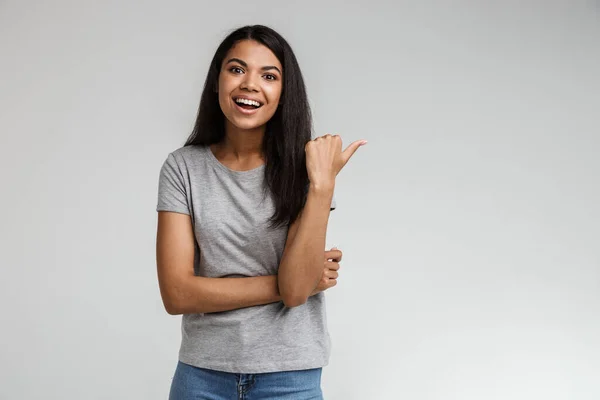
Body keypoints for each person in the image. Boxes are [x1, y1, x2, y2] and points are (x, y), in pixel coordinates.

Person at [156, 24, 366, 399]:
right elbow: (177, 293)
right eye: (237, 69)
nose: (250, 84)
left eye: (269, 76)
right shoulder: (182, 168)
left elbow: (298, 292)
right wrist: (290, 283)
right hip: (202, 376)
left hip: (290, 378)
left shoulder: (306, 169)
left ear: (284, 93)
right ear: (217, 80)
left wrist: (322, 185)